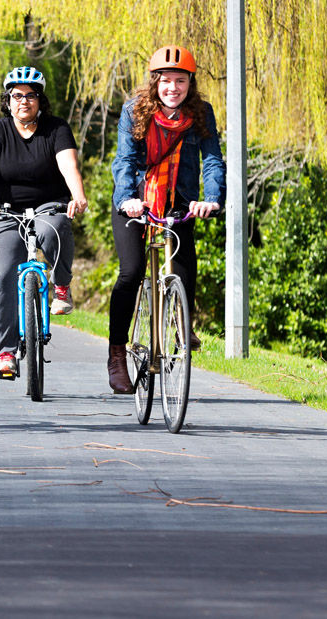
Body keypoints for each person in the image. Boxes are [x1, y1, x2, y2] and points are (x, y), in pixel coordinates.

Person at [106, 45, 225, 393]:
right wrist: (128, 199)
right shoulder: (134, 110)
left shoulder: (202, 113)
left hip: (178, 200)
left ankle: (180, 321)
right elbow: (125, 161)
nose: (173, 88)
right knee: (131, 272)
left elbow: (213, 159)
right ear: (155, 82)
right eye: (166, 81)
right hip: (137, 202)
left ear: (191, 82)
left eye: (180, 81)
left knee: (186, 261)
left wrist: (212, 199)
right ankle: (116, 354)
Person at [0, 66, 88, 377]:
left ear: (40, 100)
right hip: (3, 212)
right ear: (7, 100)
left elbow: (69, 168)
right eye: (17, 96)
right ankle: (6, 353)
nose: (24, 101)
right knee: (4, 274)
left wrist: (78, 196)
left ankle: (61, 287)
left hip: (48, 205)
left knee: (56, 229)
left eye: (31, 95)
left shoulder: (56, 129)